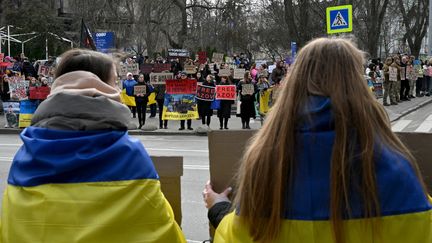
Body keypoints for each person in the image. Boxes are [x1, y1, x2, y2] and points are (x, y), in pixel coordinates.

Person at [204, 38, 432, 243]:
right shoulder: (398, 170)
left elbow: (241, 236)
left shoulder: (265, 163)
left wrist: (218, 209)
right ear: (358, 86)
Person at [0, 49, 186, 243]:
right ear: (102, 88)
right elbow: (164, 232)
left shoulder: (23, 159)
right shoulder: (130, 155)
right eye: (115, 81)